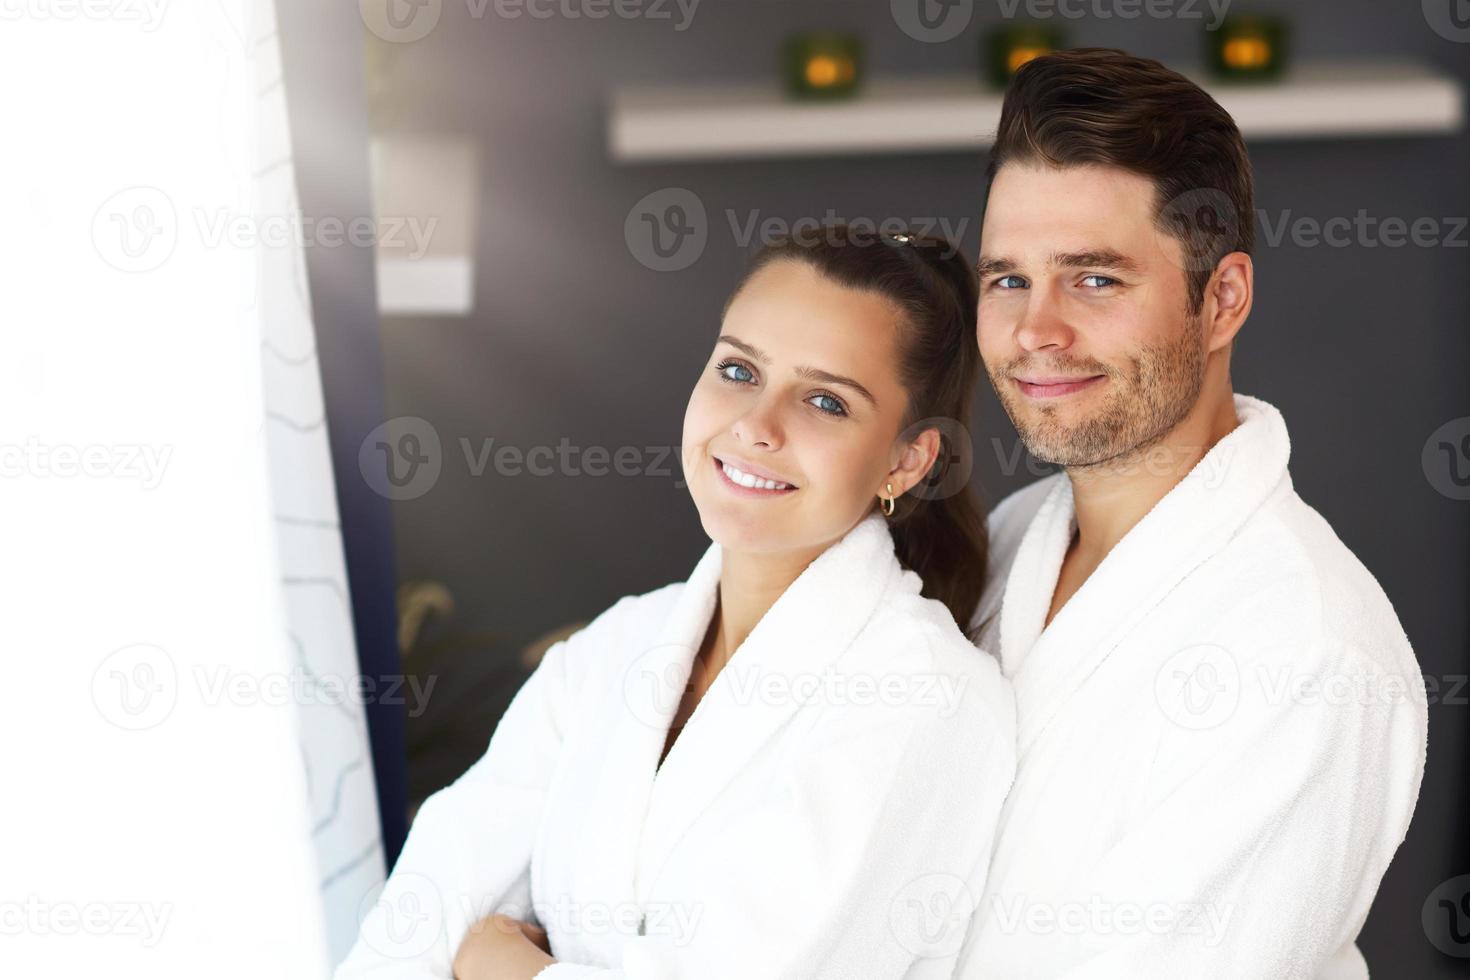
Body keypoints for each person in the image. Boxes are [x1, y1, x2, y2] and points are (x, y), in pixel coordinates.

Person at [334, 225, 1016, 979]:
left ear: (906, 460)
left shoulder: (928, 697)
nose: (756, 426)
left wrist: (502, 966)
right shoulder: (619, 647)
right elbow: (421, 914)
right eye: (738, 369)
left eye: (825, 400)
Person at [956, 48, 1427, 978]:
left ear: (1223, 300)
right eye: (1008, 277)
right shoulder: (1009, 542)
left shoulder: (1308, 652)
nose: (1034, 330)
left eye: (1094, 279)